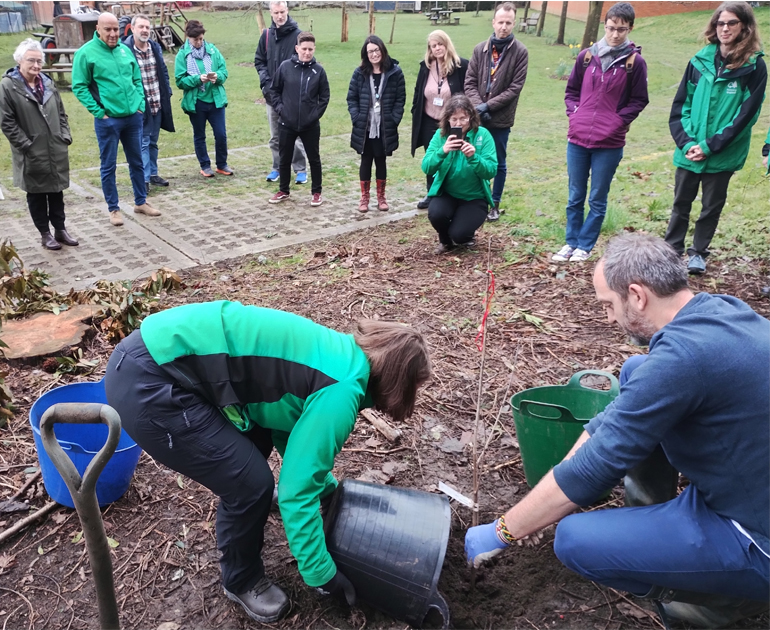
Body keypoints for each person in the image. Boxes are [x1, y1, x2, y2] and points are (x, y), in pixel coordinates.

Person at [465, 232, 769, 629]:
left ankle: (719, 602)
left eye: (609, 305)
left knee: (575, 539)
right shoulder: (721, 310)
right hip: (749, 483)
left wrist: (502, 531)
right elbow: (607, 429)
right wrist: (548, 493)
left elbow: (594, 468)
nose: (608, 318)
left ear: (637, 295)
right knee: (634, 371)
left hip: (755, 537)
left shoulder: (683, 359)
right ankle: (654, 520)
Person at [104, 301, 431, 624]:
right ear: (397, 380)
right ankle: (241, 579)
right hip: (152, 382)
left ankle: (250, 502)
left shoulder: (341, 357)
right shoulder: (342, 390)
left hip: (154, 358)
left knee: (255, 446)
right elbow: (295, 492)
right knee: (249, 484)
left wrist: (326, 491)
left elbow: (285, 423)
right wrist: (322, 574)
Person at [665, 1, 766, 276]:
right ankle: (672, 250)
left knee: (711, 206)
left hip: (722, 153)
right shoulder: (698, 61)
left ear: (744, 26)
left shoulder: (754, 67)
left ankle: (698, 253)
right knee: (680, 203)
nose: (725, 28)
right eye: (720, 23)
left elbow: (746, 116)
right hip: (689, 149)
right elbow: (680, 107)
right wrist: (687, 143)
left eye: (731, 23)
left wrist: (710, 147)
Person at [552, 3, 649, 264]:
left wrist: (618, 121)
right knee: (575, 195)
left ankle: (585, 245)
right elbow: (571, 91)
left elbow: (640, 100)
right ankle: (570, 242)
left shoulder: (634, 63)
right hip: (578, 139)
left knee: (597, 197)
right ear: (604, 26)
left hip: (609, 143)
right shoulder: (586, 57)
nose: (615, 34)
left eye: (621, 29)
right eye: (611, 28)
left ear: (630, 28)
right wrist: (575, 114)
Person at [72, 12, 161, 227]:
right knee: (108, 165)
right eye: (108, 29)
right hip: (108, 121)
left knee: (137, 162)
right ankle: (113, 208)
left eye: (116, 30)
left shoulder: (124, 50)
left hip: (132, 118)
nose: (113, 34)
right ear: (98, 28)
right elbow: (79, 86)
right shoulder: (86, 54)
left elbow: (136, 78)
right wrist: (99, 111)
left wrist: (140, 106)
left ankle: (140, 201)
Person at [0, 39, 78, 250]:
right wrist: (26, 145)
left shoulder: (48, 82)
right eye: (31, 61)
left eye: (39, 61)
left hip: (55, 147)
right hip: (31, 151)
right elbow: (6, 122)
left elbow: (61, 113)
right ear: (20, 61)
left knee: (56, 191)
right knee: (36, 194)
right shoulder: (8, 86)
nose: (36, 65)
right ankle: (45, 233)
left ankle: (60, 230)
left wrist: (65, 136)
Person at [465, 1, 528, 222]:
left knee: (498, 162)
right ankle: (476, 200)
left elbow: (515, 88)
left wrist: (489, 106)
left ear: (514, 24)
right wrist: (478, 106)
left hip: (501, 119)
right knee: (476, 158)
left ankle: (495, 203)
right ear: (493, 22)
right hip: (478, 118)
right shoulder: (480, 49)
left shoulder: (520, 52)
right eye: (500, 22)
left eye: (508, 23)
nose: (503, 27)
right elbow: (470, 81)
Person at [422, 94, 497, 254]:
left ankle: (462, 233)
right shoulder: (441, 136)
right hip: (448, 193)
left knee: (460, 235)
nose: (458, 123)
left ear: (470, 116)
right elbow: (427, 167)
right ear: (447, 119)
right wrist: (443, 151)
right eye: (454, 119)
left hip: (474, 197)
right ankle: (445, 241)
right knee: (436, 213)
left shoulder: (483, 135)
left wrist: (474, 157)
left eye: (463, 118)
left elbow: (491, 170)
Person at [266, 31, 329, 207]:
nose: (307, 52)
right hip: (287, 123)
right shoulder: (285, 67)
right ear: (297, 48)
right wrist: (281, 110)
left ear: (314, 49)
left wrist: (314, 115)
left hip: (310, 125)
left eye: (310, 49)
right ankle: (283, 190)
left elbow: (324, 97)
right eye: (304, 49)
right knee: (284, 158)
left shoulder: (319, 71)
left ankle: (316, 192)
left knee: (314, 159)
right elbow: (274, 90)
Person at [347, 35, 406, 213]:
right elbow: (352, 98)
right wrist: (357, 117)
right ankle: (364, 198)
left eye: (376, 50)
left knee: (381, 161)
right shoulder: (360, 73)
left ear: (382, 50)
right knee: (366, 160)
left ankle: (381, 198)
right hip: (365, 125)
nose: (374, 54)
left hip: (384, 126)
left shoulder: (395, 72)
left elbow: (400, 99)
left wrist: (394, 119)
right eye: (370, 51)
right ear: (366, 54)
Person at [411, 30, 469, 210]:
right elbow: (418, 92)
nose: (437, 48)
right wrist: (415, 110)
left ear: (447, 44)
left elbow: (467, 93)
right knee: (433, 156)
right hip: (429, 119)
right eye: (433, 46)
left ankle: (452, 192)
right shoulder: (426, 67)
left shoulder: (460, 66)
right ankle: (432, 193)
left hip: (452, 121)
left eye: (440, 44)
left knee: (452, 155)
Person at [254, 0, 308, 185]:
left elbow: (303, 63)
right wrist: (266, 83)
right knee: (275, 135)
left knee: (295, 133)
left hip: (291, 96)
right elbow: (259, 61)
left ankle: (300, 169)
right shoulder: (266, 35)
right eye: (276, 12)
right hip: (271, 95)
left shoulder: (298, 35)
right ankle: (277, 167)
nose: (279, 16)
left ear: (287, 10)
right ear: (271, 13)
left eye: (282, 12)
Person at [175, 20, 233, 179]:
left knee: (221, 134)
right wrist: (197, 79)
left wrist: (218, 77)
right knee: (199, 135)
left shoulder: (213, 50)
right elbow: (180, 81)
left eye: (201, 39)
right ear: (189, 38)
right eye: (196, 40)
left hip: (216, 100)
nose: (199, 42)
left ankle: (222, 164)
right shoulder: (182, 55)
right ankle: (205, 166)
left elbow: (224, 70)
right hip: (196, 102)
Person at [125, 14, 175, 194]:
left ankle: (153, 174)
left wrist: (167, 91)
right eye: (141, 27)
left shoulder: (154, 47)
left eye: (147, 27)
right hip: (140, 105)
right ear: (133, 29)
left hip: (157, 102)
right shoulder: (125, 50)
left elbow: (162, 71)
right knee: (143, 141)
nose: (145, 30)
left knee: (153, 140)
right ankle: (143, 179)